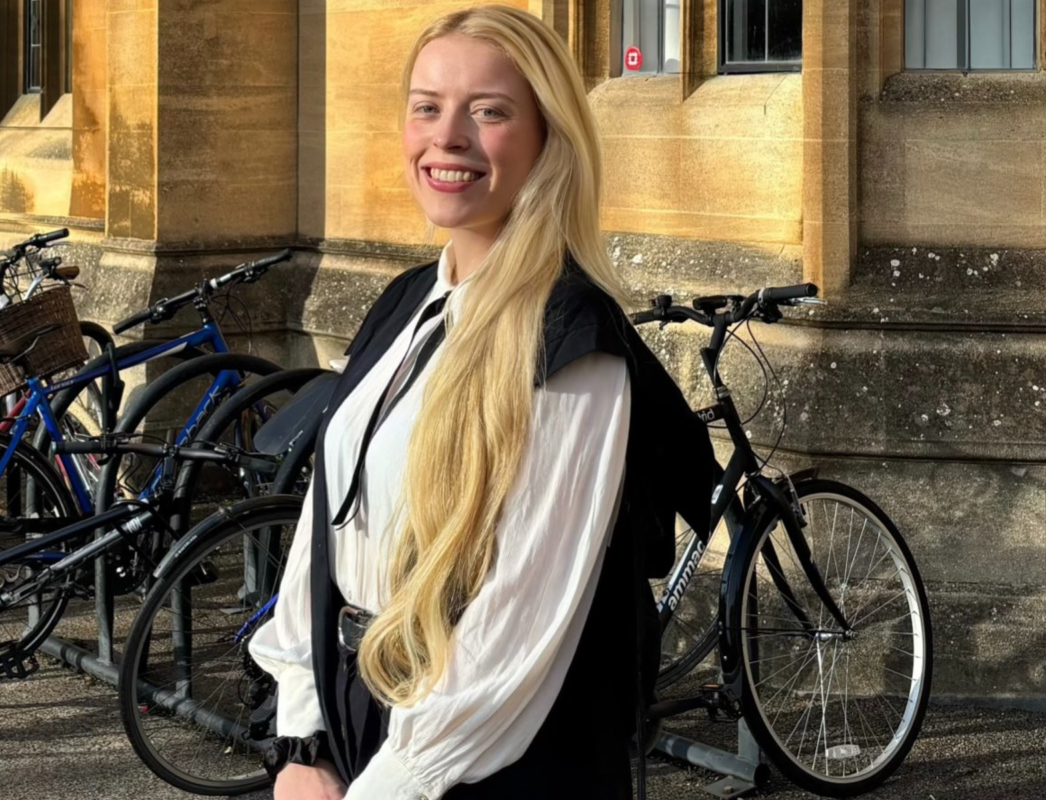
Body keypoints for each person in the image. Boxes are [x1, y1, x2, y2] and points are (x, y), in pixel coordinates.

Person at [248, 6, 714, 799]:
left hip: (482, 760)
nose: (448, 136)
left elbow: (521, 619)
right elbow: (327, 529)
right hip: (355, 726)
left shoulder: (570, 340)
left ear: (547, 138)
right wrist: (304, 741)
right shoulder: (402, 304)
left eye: (489, 112)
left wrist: (392, 783)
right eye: (427, 106)